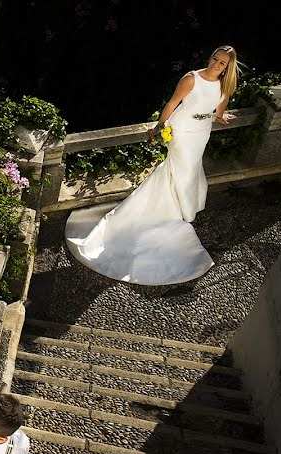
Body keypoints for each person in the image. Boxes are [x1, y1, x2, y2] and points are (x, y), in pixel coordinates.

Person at [65, 46, 240, 285]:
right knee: (184, 169)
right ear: (210, 57)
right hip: (182, 131)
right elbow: (173, 103)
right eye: (215, 59)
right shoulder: (191, 78)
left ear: (226, 68)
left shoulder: (224, 86)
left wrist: (221, 116)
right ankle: (174, 210)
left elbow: (218, 109)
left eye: (221, 63)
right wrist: (160, 126)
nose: (216, 64)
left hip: (202, 133)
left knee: (187, 170)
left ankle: (178, 205)